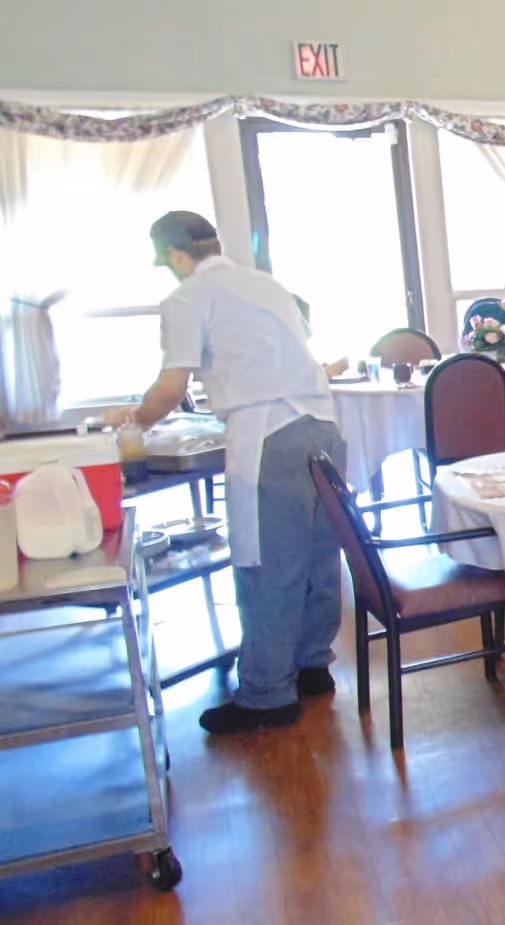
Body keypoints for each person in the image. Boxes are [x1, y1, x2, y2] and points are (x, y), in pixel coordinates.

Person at [107, 212, 346, 735]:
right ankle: (311, 665)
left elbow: (171, 388)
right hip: (324, 425)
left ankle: (267, 693)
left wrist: (130, 421)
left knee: (268, 563)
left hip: (267, 433)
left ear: (174, 255)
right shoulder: (266, 283)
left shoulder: (187, 297)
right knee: (319, 555)